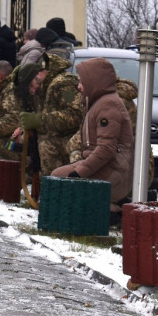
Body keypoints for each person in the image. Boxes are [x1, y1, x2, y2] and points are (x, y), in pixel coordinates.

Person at [51, 57, 134, 214]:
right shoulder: (99, 102)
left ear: (94, 81)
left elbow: (106, 149)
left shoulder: (108, 105)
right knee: (57, 177)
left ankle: (112, 210)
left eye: (82, 82)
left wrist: (79, 173)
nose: (79, 87)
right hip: (106, 167)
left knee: (60, 180)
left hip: (114, 172)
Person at [14, 52, 83, 177]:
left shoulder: (63, 83)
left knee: (46, 146)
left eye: (31, 86)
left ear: (39, 74)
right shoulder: (44, 87)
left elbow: (76, 115)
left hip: (72, 138)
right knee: (18, 144)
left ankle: (53, 186)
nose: (32, 91)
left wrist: (40, 120)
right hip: (53, 137)